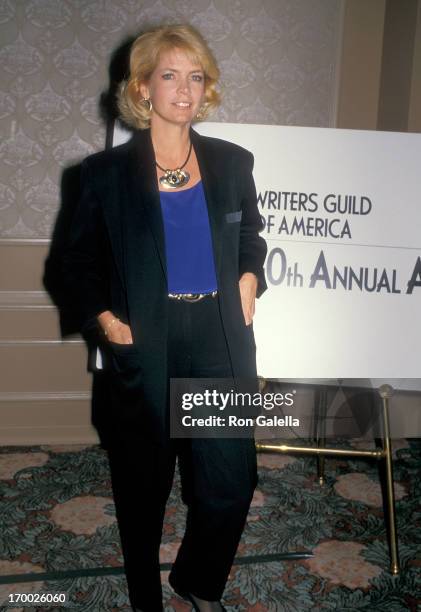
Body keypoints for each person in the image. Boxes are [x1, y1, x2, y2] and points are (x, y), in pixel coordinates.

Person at [61, 24, 267, 612]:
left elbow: (250, 237)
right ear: (143, 88)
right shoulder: (102, 176)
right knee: (143, 486)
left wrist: (250, 274)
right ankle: (147, 598)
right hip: (145, 341)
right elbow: (74, 263)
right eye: (169, 76)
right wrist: (107, 319)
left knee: (231, 482)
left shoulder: (231, 163)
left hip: (218, 339)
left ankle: (196, 580)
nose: (184, 89)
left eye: (195, 76)